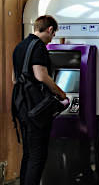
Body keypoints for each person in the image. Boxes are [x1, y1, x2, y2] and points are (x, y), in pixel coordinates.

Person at [12, 15, 67, 185]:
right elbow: (41, 75)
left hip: (20, 105)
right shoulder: (39, 47)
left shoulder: (20, 46)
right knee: (38, 155)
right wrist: (61, 93)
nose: (52, 38)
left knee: (28, 152)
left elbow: (14, 79)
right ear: (50, 29)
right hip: (35, 108)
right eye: (53, 34)